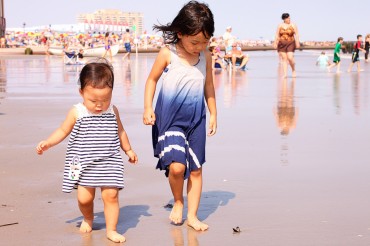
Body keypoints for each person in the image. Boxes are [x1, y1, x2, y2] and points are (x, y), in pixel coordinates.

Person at [36, 59, 138, 243]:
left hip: (109, 160)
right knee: (84, 198)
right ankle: (88, 218)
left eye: (105, 99)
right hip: (82, 162)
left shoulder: (112, 111)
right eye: (93, 100)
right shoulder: (77, 112)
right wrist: (48, 143)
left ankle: (111, 229)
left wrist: (128, 149)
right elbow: (62, 131)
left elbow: (120, 130)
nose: (99, 105)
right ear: (81, 92)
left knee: (111, 195)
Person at [143, 1, 217, 231]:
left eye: (205, 41)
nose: (200, 46)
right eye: (195, 41)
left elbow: (209, 87)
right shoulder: (168, 53)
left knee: (195, 169)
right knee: (177, 168)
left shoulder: (206, 56)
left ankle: (192, 216)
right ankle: (178, 200)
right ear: (180, 33)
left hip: (196, 120)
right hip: (170, 119)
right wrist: (147, 107)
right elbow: (151, 80)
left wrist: (213, 113)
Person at [273, 13, 300, 78]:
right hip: (281, 43)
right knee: (284, 59)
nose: (289, 19)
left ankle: (293, 70)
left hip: (291, 43)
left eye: (289, 18)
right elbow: (277, 34)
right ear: (284, 19)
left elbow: (297, 34)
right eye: (288, 18)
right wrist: (275, 42)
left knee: (290, 57)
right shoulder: (280, 25)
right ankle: (285, 74)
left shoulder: (293, 25)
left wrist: (297, 42)